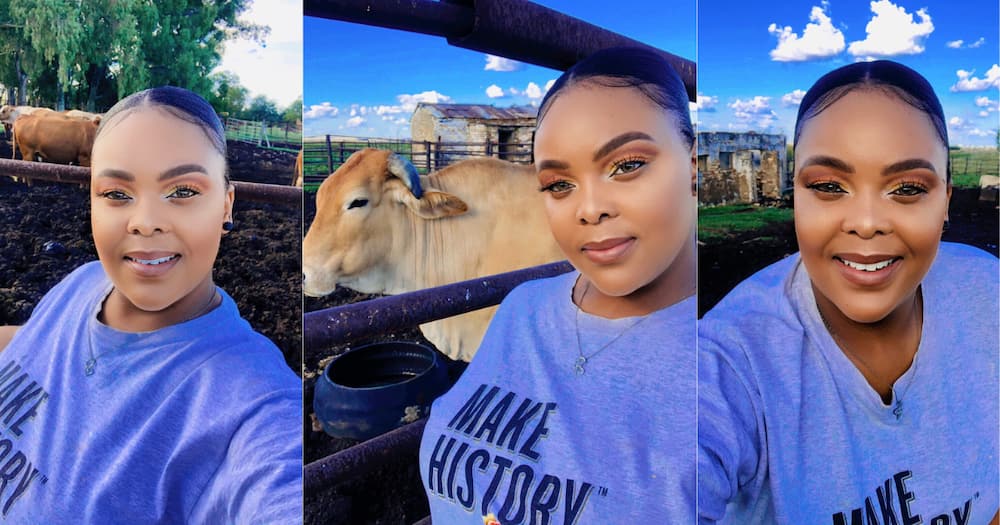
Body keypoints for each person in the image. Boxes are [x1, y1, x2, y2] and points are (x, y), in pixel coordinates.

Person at [698, 60, 999, 523]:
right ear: (795, 195)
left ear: (946, 200)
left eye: (906, 188)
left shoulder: (987, 291)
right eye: (829, 186)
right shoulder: (729, 361)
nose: (865, 222)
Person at [418, 46, 698, 523]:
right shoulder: (522, 308)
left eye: (627, 165)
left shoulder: (736, 363)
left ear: (693, 165)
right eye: (558, 185)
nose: (589, 209)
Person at [0, 87, 301, 523]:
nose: (144, 222)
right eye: (116, 194)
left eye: (182, 191)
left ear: (226, 204)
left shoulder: (256, 407)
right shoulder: (82, 282)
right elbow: (31, 346)